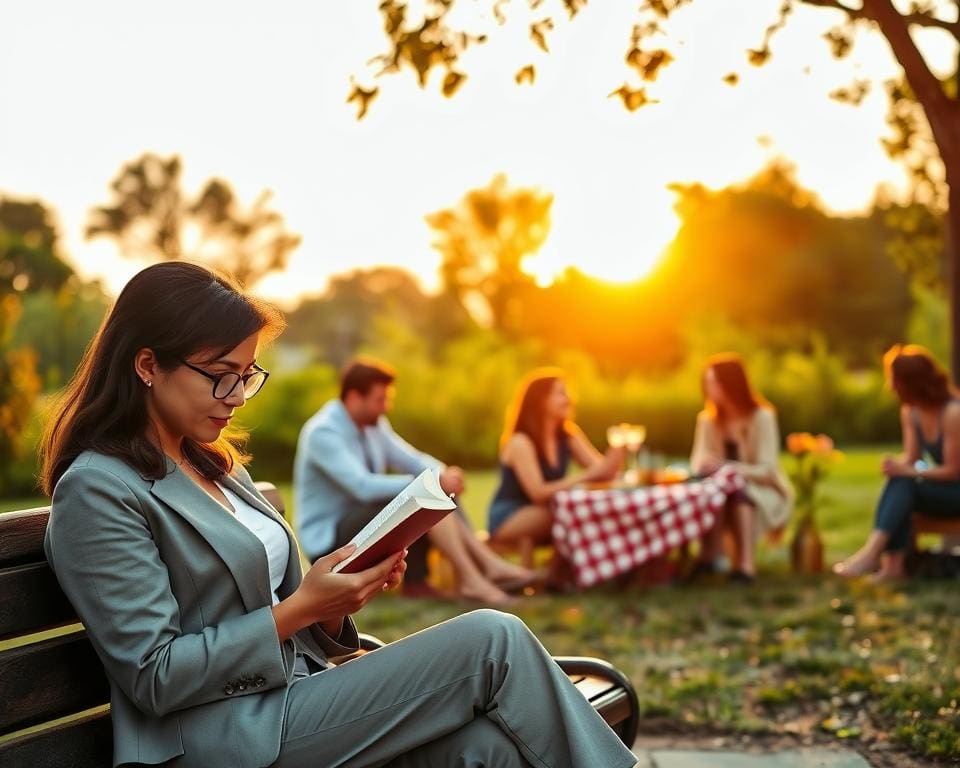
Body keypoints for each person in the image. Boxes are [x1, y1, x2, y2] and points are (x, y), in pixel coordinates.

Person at [40, 261, 638, 768]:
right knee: (493, 639)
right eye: (220, 378)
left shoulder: (212, 462)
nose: (237, 399)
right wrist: (301, 608)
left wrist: (337, 604)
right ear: (147, 365)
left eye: (247, 377)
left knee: (488, 748)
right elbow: (154, 675)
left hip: (297, 700)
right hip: (215, 740)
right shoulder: (98, 490)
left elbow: (275, 614)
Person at [294, 358, 536, 604]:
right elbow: (362, 487)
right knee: (424, 493)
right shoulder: (323, 432)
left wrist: (443, 474)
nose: (386, 406)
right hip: (331, 544)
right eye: (380, 399)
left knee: (438, 490)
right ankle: (476, 576)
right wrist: (430, 482)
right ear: (355, 398)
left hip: (362, 523)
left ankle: (482, 569)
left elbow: (412, 458)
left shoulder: (373, 425)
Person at [834, 344, 960, 581]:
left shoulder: (953, 412)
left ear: (912, 383)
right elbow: (912, 458)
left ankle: (876, 556)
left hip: (957, 491)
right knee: (901, 482)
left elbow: (954, 471)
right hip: (942, 489)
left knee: (906, 483)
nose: (890, 386)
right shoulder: (910, 411)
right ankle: (890, 566)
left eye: (894, 380)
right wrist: (897, 466)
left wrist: (909, 472)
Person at [488, 368, 624, 548]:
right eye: (561, 393)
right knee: (575, 514)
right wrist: (589, 475)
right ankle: (570, 570)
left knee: (596, 511)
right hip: (510, 515)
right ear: (541, 401)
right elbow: (538, 493)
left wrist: (616, 455)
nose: (569, 399)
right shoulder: (520, 441)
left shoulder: (568, 435)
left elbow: (602, 471)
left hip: (548, 510)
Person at [689, 353, 792, 583]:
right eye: (706, 382)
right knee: (715, 490)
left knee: (738, 489)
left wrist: (727, 467)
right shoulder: (707, 420)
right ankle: (710, 556)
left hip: (761, 488)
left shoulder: (762, 417)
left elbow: (767, 470)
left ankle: (745, 564)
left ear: (730, 384)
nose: (708, 389)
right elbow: (697, 460)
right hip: (718, 488)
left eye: (713, 382)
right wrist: (706, 465)